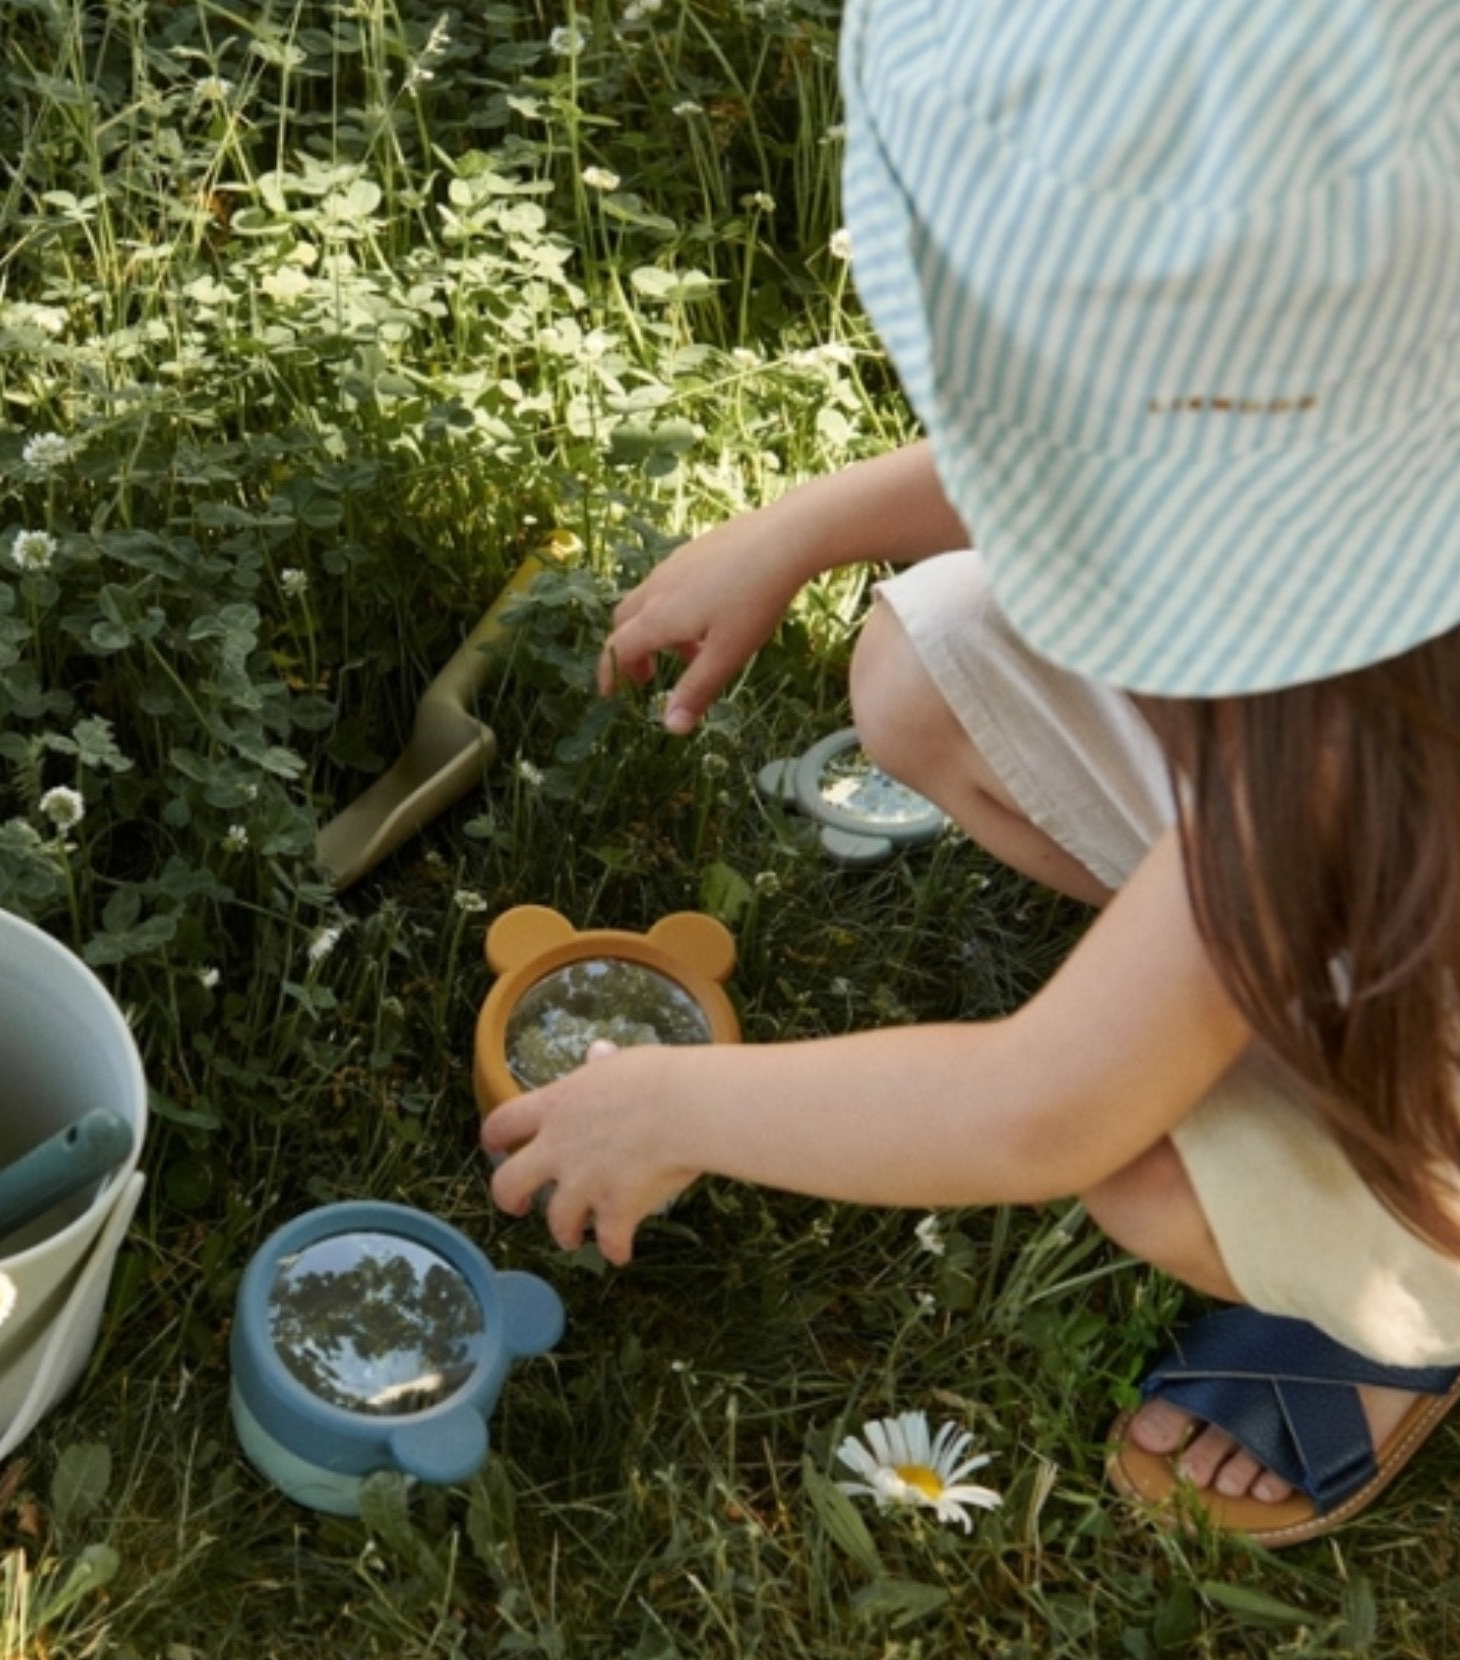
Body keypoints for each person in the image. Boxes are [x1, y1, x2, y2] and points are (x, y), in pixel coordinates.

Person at [482, 0, 1460, 1546]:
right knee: (924, 675)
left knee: (1137, 1166)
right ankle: (1220, 995)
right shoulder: (1389, 313)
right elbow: (1138, 434)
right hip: (1350, 811)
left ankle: (1405, 1287)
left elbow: (1030, 1117)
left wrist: (674, 1105)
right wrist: (805, 524)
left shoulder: (1347, 745)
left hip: (1385, 871)